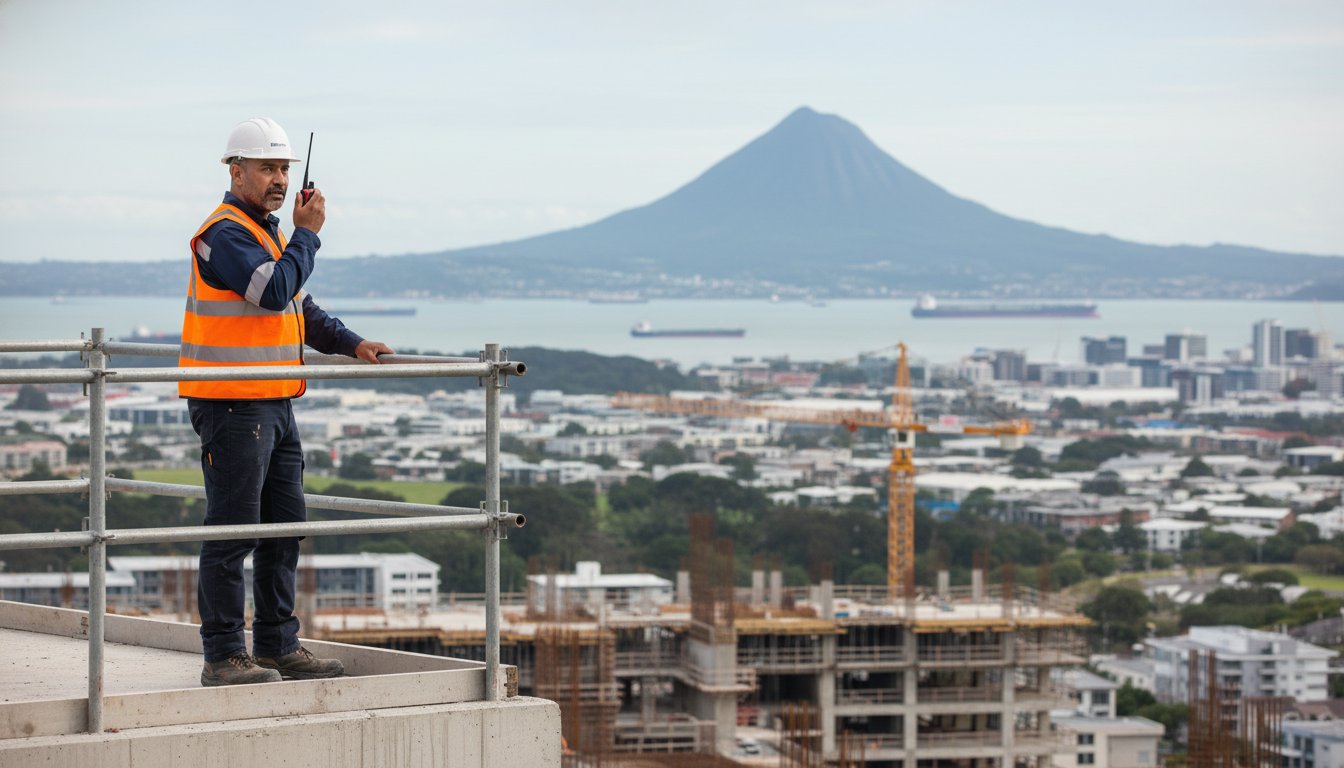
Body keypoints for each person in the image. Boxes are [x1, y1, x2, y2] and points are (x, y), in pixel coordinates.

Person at [180, 117, 394, 686]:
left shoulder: (267, 233)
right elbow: (273, 292)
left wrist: (353, 345)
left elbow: (302, 311)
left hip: (273, 401)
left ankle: (277, 645)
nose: (278, 178)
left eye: (284, 168)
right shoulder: (224, 234)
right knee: (233, 533)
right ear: (236, 170)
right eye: (268, 168)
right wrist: (309, 234)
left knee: (283, 528)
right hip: (231, 403)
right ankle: (224, 655)